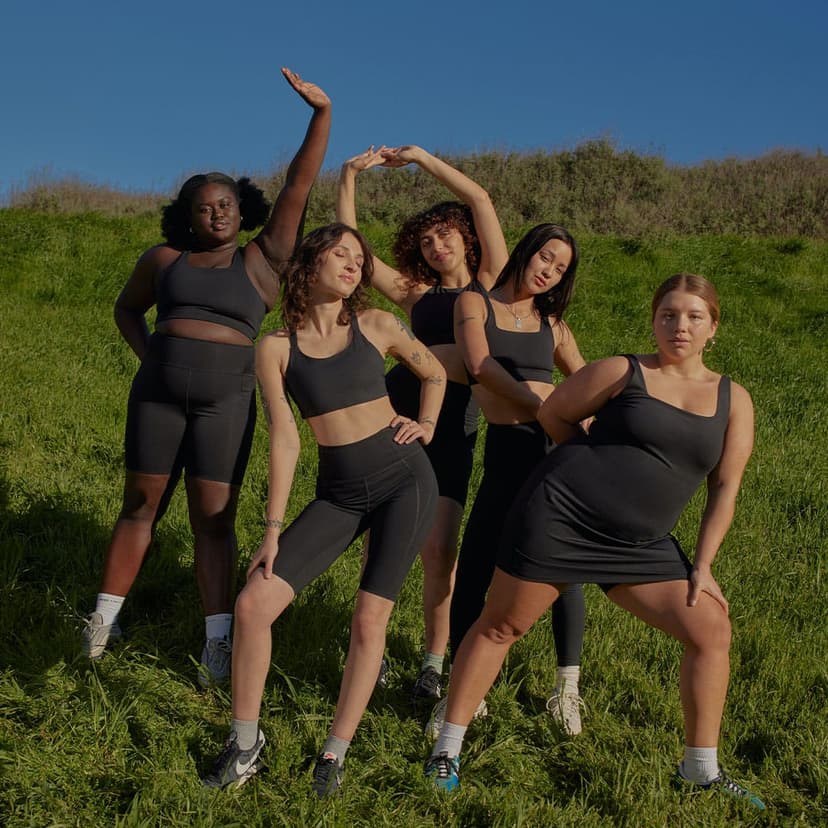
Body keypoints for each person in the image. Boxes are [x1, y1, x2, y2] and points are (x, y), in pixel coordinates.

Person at [425, 273, 765, 811]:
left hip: (642, 543)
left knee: (710, 628)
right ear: (654, 321)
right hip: (561, 516)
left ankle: (700, 769)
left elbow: (726, 486)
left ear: (712, 328)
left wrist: (702, 564)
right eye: (668, 315)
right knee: (502, 625)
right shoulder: (621, 371)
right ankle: (448, 746)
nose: (679, 325)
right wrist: (587, 471)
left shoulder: (732, 399)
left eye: (693, 316)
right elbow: (554, 412)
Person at [82, 69, 332, 688]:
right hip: (158, 398)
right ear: (187, 218)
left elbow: (299, 185)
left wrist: (320, 115)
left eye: (225, 204)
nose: (216, 213)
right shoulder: (163, 260)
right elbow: (124, 309)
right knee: (140, 506)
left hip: (227, 401)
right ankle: (101, 625)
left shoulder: (263, 259)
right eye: (203, 207)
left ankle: (216, 642)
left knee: (213, 519)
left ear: (241, 209)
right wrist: (154, 360)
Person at [202, 223, 445, 797]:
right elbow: (284, 438)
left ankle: (334, 753)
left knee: (368, 620)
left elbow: (433, 370)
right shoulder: (276, 348)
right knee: (254, 602)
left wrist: (427, 424)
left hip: (405, 482)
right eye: (342, 254)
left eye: (359, 259)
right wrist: (272, 529)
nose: (354, 265)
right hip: (338, 492)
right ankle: (244, 742)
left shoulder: (378, 325)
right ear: (310, 263)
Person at [337, 144, 508, 704]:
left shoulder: (490, 284)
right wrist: (349, 176)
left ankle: (434, 663)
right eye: (427, 241)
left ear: (465, 237)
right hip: (395, 411)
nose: (436, 247)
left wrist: (423, 160)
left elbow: (480, 197)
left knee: (440, 549)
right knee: (384, 540)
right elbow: (351, 248)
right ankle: (373, 651)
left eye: (445, 236)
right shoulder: (416, 295)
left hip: (454, 422)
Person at [427, 224, 588, 740]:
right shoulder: (475, 304)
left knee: (563, 568)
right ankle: (461, 692)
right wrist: (542, 404)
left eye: (560, 268)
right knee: (476, 565)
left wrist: (592, 424)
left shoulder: (553, 323)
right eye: (545, 256)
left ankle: (566, 688)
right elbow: (480, 365)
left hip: (555, 453)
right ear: (526, 250)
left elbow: (584, 381)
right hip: (507, 447)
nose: (548, 271)